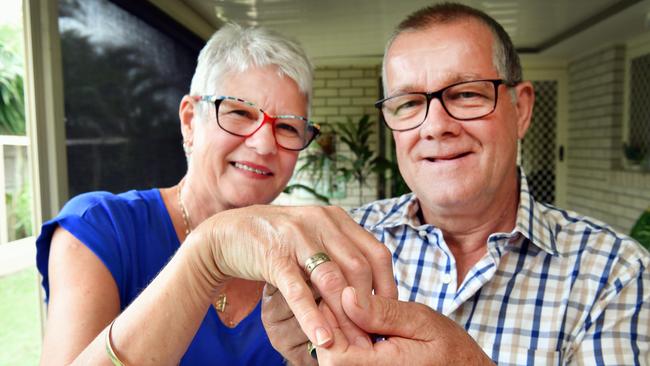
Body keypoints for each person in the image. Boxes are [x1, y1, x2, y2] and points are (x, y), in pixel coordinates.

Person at [261, 3, 650, 365]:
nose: (434, 126)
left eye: (465, 94)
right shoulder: (344, 243)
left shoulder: (615, 274)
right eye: (409, 103)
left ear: (522, 109)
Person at [36, 23, 397, 365]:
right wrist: (207, 253)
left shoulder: (303, 257)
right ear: (190, 120)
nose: (263, 143)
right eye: (239, 112)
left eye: (287, 126)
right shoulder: (99, 228)